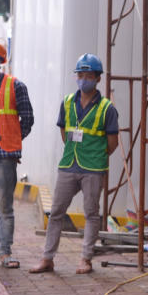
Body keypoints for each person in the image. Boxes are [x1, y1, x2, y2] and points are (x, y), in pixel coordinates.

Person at [30, 53, 118, 275]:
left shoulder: (107, 108)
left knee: (91, 214)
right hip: (69, 164)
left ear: (98, 78)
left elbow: (113, 143)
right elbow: (64, 132)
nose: (83, 79)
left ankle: (86, 259)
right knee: (56, 212)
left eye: (88, 75)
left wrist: (95, 154)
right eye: (80, 75)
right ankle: (47, 258)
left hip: (93, 168)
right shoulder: (68, 102)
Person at [0, 41, 34, 269]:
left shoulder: (15, 86)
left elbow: (27, 119)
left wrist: (12, 143)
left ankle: (5, 253)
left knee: (5, 209)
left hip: (2, 157)